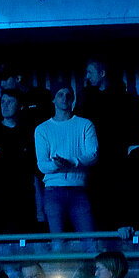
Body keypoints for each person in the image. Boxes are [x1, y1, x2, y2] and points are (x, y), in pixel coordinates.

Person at [34, 87, 98, 236]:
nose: (64, 98)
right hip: (53, 189)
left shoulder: (85, 124)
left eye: (68, 95)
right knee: (58, 241)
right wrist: (57, 164)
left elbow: (93, 154)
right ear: (53, 99)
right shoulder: (42, 129)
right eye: (60, 94)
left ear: (73, 99)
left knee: (89, 239)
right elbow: (42, 164)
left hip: (78, 188)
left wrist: (72, 162)